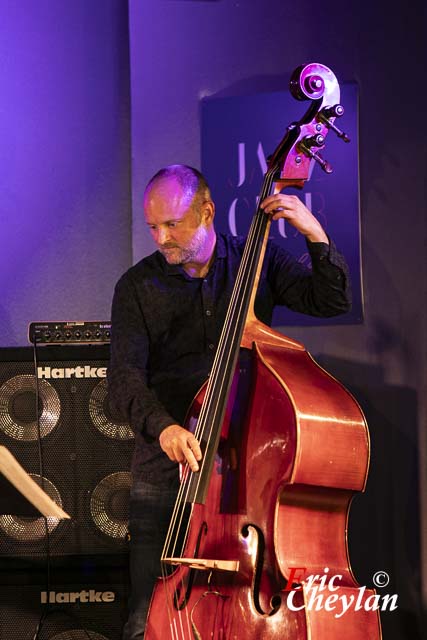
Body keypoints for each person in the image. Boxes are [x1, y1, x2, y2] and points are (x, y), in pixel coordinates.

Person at [107, 164, 351, 639]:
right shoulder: (135, 288)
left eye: (172, 224)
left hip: (247, 479)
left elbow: (330, 300)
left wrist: (313, 232)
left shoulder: (256, 261)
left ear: (207, 212)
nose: (160, 238)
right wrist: (166, 427)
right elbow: (124, 381)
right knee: (146, 619)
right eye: (152, 226)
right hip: (165, 475)